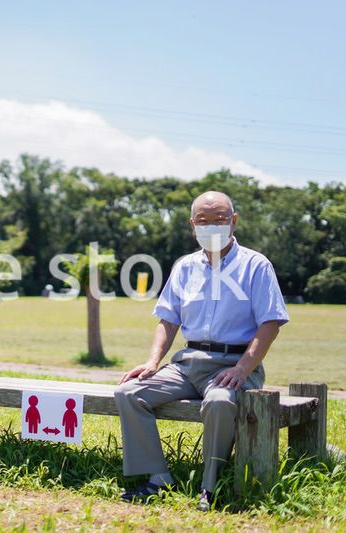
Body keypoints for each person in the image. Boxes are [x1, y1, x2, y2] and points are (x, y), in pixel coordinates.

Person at [114, 191, 289, 511]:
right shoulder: (184, 266)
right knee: (128, 392)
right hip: (187, 363)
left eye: (219, 220)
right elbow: (168, 320)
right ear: (193, 224)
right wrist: (153, 361)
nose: (211, 226)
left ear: (234, 221)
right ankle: (157, 479)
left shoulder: (255, 265)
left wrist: (243, 369)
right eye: (203, 221)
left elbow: (271, 324)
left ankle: (211, 485)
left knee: (219, 402)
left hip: (233, 364)